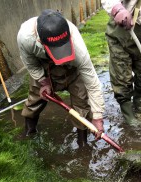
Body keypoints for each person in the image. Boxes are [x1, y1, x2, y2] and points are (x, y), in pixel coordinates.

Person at [17, 9, 105, 146]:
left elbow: (92, 83)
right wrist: (43, 81)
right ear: (40, 41)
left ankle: (83, 143)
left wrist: (98, 117)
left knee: (81, 103)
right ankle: (29, 132)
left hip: (72, 69)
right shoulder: (25, 37)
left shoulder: (78, 47)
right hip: (44, 67)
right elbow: (31, 64)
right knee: (35, 97)